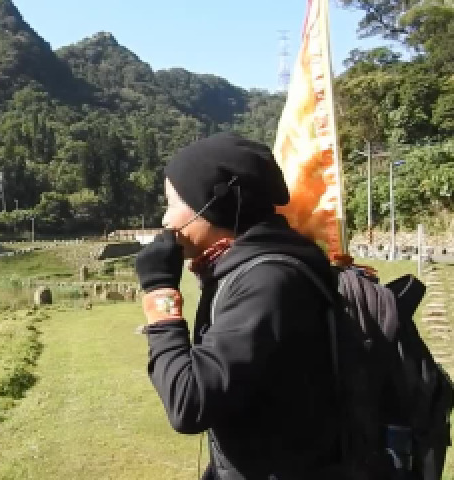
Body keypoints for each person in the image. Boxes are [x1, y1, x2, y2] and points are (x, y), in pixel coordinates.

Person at [134, 132, 342, 479]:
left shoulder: (268, 282)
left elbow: (188, 402)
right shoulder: (244, 268)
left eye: (172, 203)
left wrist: (160, 292)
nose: (166, 220)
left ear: (213, 201)